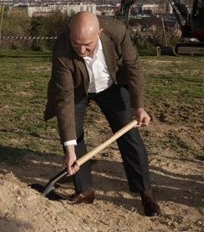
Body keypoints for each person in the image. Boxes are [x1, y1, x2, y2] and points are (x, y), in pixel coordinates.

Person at [44, 11, 161, 217]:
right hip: (79, 90)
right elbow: (65, 99)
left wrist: (139, 107)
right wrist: (69, 150)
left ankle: (146, 192)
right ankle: (84, 190)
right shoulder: (62, 47)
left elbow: (134, 68)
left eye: (87, 45)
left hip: (112, 86)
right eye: (76, 43)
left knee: (130, 137)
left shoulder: (116, 32)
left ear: (99, 32)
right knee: (75, 135)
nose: (81, 50)